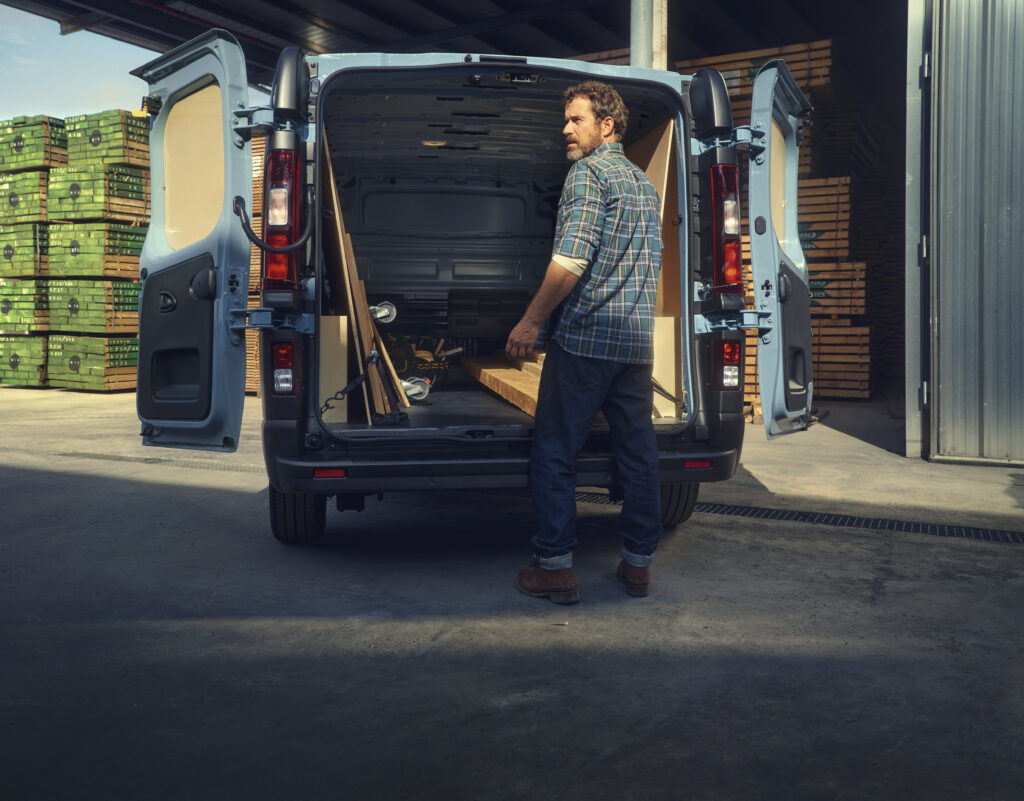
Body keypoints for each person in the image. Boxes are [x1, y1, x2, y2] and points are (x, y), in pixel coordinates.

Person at [506, 80, 664, 605]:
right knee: (638, 456)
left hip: (586, 343)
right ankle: (638, 566)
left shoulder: (588, 175)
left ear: (608, 126)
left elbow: (570, 262)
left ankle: (554, 567)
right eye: (567, 119)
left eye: (576, 120)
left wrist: (531, 323)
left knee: (554, 452)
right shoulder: (644, 186)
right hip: (635, 348)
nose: (566, 129)